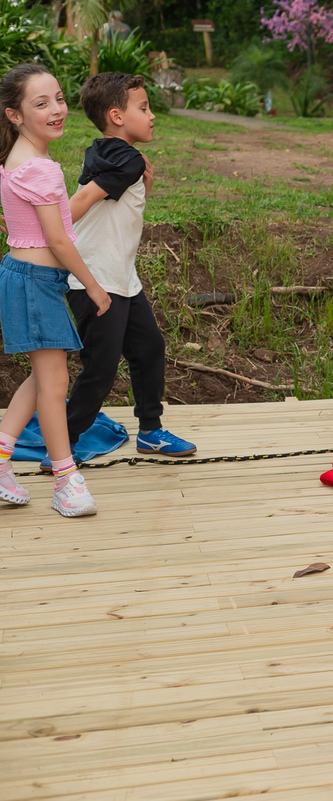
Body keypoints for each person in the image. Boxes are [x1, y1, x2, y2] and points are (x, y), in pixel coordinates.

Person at [48, 72, 196, 471]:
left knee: (148, 349)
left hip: (122, 278)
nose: (151, 116)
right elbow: (82, 199)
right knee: (100, 366)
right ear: (116, 115)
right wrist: (48, 233)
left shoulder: (106, 151)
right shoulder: (127, 158)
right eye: (143, 108)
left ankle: (150, 431)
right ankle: (63, 445)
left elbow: (110, 202)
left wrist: (142, 185)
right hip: (96, 280)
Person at [0, 64, 112, 517]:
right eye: (41, 103)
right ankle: (66, 479)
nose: (57, 110)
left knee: (42, 377)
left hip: (26, 278)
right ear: (15, 115)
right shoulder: (39, 169)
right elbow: (58, 239)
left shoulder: (19, 160)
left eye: (59, 99)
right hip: (35, 283)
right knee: (54, 383)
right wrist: (94, 286)